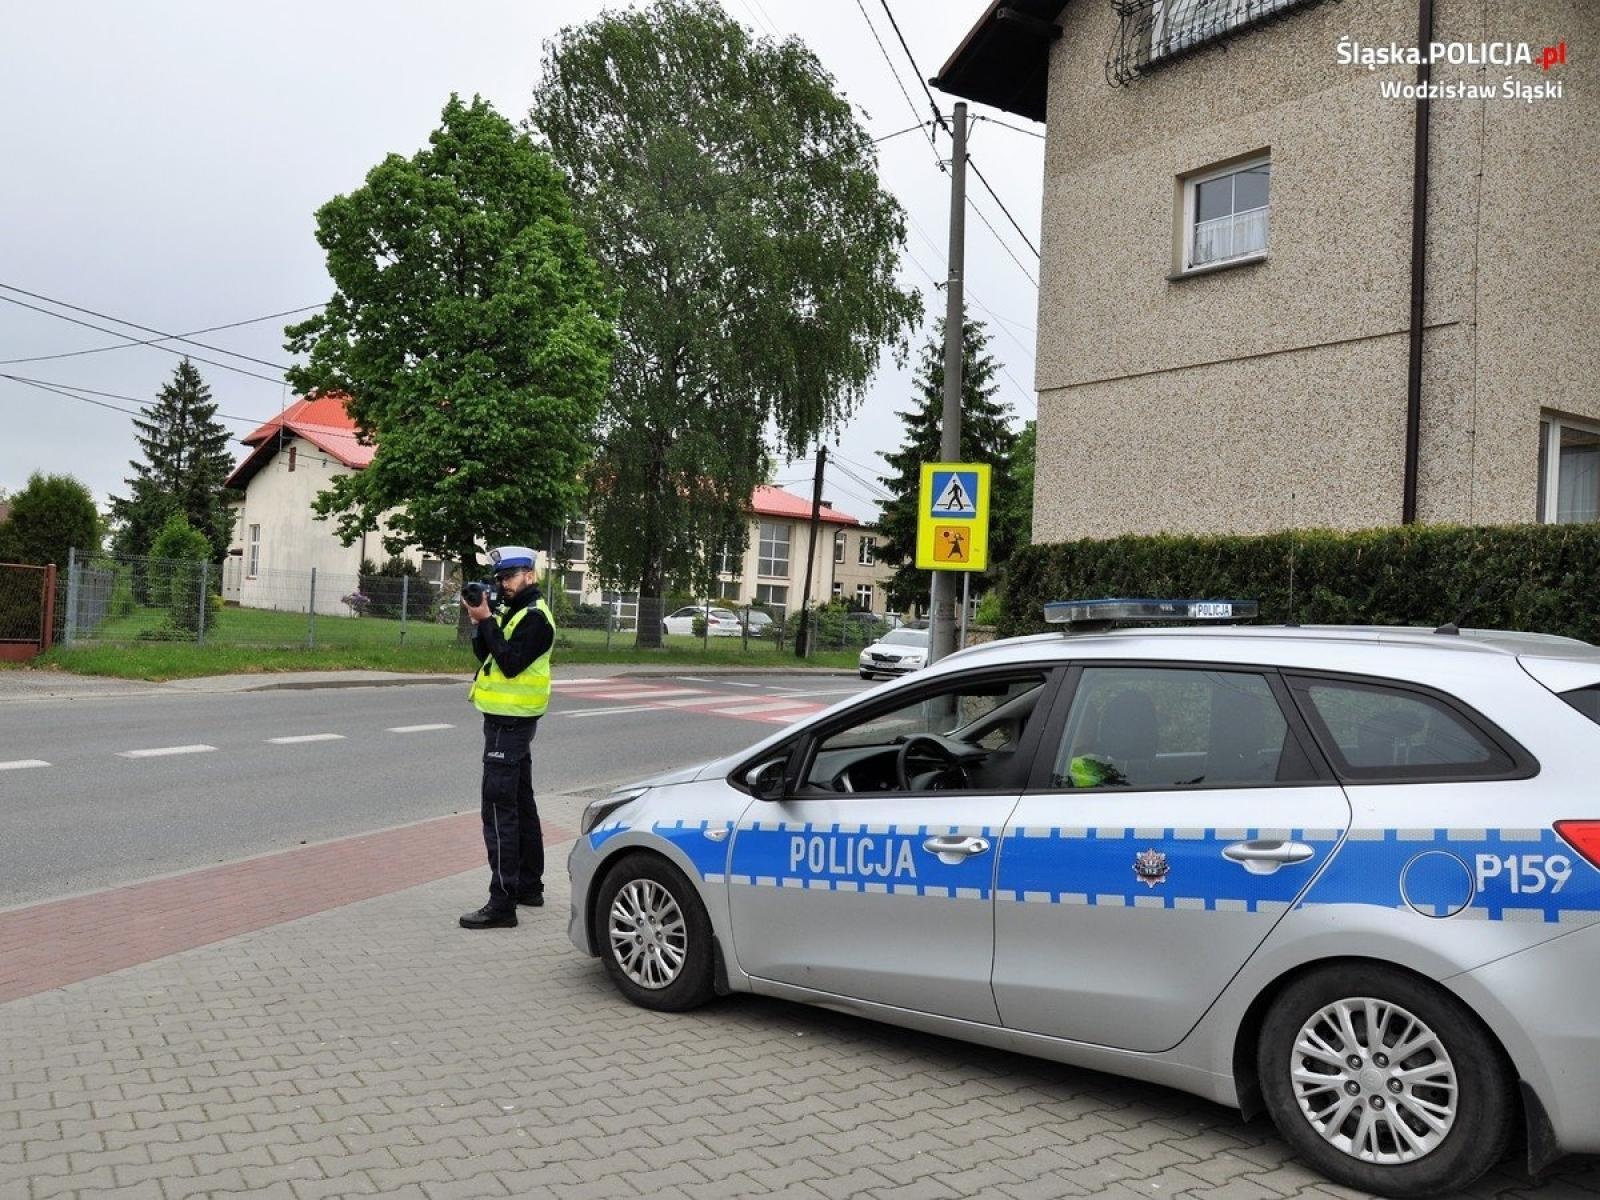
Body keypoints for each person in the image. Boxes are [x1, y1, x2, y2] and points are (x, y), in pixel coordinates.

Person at [459, 545, 555, 929]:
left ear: (530, 575)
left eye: (510, 577)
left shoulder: (535, 618)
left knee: (499, 811)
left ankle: (502, 903)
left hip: (510, 724)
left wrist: (488, 621)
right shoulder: (511, 611)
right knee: (520, 802)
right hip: (506, 721)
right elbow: (485, 653)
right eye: (499, 579)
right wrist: (480, 619)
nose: (503, 585)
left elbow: (511, 663)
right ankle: (529, 887)